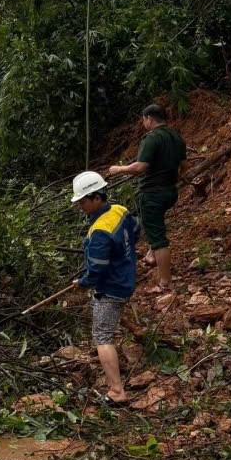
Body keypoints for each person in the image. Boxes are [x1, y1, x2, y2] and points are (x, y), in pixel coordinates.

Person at [71, 171, 139, 406]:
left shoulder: (100, 230)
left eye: (83, 201)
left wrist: (82, 282)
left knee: (102, 336)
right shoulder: (119, 210)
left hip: (111, 288)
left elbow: (97, 269)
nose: (81, 206)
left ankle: (116, 392)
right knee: (106, 332)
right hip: (126, 278)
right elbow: (135, 230)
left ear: (96, 197)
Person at [108, 104, 188, 291]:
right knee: (155, 224)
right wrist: (174, 181)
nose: (143, 123)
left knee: (158, 238)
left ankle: (165, 282)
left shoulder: (152, 138)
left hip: (153, 193)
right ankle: (151, 255)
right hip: (170, 192)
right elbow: (184, 166)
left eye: (143, 119)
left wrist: (118, 169)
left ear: (149, 119)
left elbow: (139, 168)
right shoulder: (176, 137)